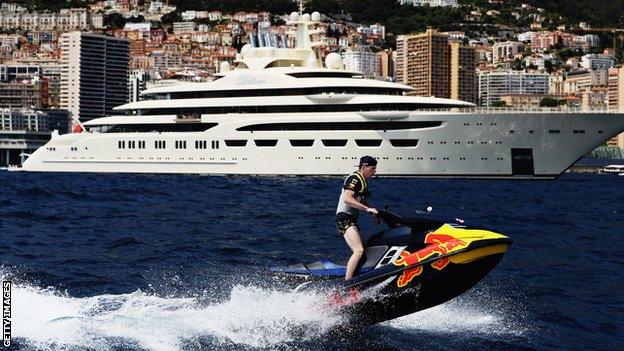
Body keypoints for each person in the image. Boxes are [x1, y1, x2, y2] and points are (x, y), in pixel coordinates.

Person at [335, 155, 379, 280]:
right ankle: (348, 283)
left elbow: (362, 201)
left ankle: (359, 274)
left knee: (364, 249)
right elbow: (347, 198)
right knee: (358, 250)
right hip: (344, 218)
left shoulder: (363, 182)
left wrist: (373, 213)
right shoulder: (355, 178)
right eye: (373, 168)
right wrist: (367, 209)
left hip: (351, 219)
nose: (375, 171)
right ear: (364, 167)